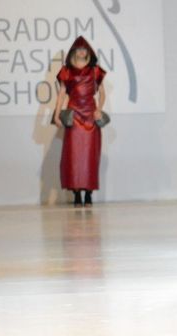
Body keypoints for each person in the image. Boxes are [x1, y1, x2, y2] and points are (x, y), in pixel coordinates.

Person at [54, 36, 107, 208]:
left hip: (91, 116)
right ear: (74, 52)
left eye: (85, 49)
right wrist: (56, 114)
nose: (82, 51)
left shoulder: (95, 70)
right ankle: (77, 194)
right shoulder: (67, 71)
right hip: (74, 116)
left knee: (90, 156)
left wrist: (99, 109)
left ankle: (88, 194)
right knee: (74, 156)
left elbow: (102, 94)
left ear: (88, 52)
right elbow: (62, 93)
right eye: (79, 49)